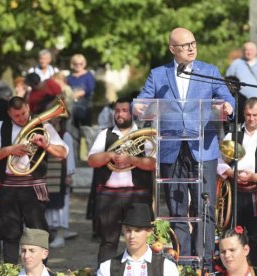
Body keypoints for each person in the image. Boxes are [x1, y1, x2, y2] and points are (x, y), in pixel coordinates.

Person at [134, 27, 235, 270]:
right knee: (177, 209)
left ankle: (206, 262)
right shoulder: (159, 74)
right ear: (172, 49)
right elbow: (141, 100)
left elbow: (227, 98)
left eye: (193, 43)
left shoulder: (209, 71)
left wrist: (227, 107)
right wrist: (138, 106)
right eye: (185, 45)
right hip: (171, 149)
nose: (191, 48)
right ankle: (185, 262)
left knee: (205, 206)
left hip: (204, 148)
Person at [0, 96, 69, 264]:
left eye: (23, 113)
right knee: (9, 234)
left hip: (34, 185)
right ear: (9, 114)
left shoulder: (44, 125)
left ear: (28, 108)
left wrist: (46, 145)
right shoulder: (1, 127)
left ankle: (40, 272)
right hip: (9, 185)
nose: (21, 118)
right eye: (16, 116)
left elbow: (63, 152)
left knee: (37, 233)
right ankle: (10, 271)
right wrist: (9, 150)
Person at [88, 97, 156, 263]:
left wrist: (131, 160)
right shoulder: (105, 134)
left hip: (137, 196)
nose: (120, 114)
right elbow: (92, 160)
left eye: (124, 111)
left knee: (141, 242)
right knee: (108, 242)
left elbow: (152, 164)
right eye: (117, 111)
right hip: (109, 197)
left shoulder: (144, 135)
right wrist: (110, 155)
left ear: (133, 113)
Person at [217, 97, 257, 267]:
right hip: (235, 192)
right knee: (232, 235)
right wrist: (231, 172)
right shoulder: (233, 134)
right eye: (247, 115)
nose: (251, 119)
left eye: (255, 115)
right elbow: (219, 162)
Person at [97, 203, 178, 276]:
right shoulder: (107, 268)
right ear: (123, 231)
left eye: (137, 231)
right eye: (128, 230)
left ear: (149, 232)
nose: (132, 236)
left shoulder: (166, 267)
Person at [44, 115, 76, 248]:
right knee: (47, 205)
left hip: (61, 175)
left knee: (62, 207)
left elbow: (70, 155)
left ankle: (61, 235)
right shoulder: (43, 133)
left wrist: (69, 174)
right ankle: (50, 234)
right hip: (47, 175)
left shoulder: (65, 135)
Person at [67, 54, 96, 127]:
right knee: (73, 129)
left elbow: (91, 88)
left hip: (86, 107)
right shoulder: (69, 77)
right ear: (72, 64)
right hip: (72, 107)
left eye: (80, 63)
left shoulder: (89, 75)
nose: (78, 65)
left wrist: (80, 93)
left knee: (86, 130)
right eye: (75, 64)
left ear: (84, 63)